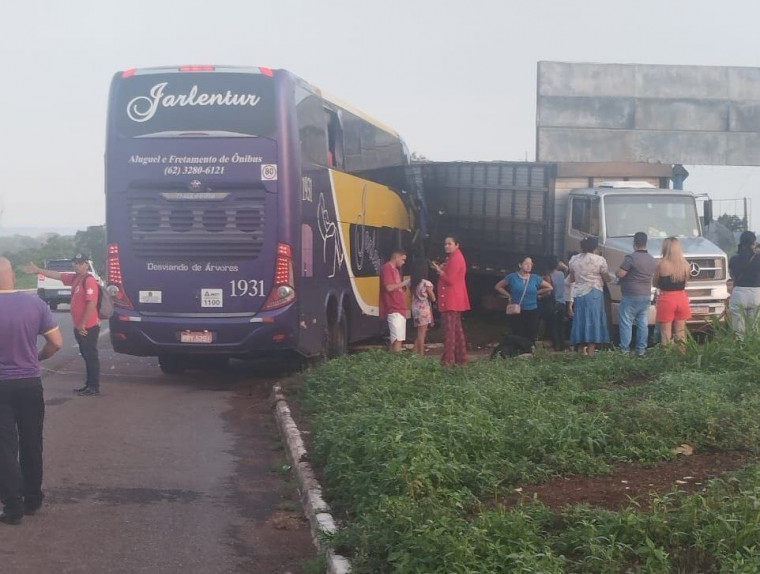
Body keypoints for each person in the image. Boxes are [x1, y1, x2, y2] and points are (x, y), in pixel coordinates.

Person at [0, 257, 63, 525]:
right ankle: (33, 498)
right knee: (31, 441)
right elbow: (57, 343)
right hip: (29, 382)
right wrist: (37, 358)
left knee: (4, 447)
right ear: (12, 275)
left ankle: (12, 508)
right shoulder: (35, 304)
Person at [24, 254, 101, 395]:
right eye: (75, 263)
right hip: (80, 326)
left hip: (87, 327)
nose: (76, 265)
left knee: (90, 356)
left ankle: (93, 387)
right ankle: (89, 385)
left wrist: (82, 324)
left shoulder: (89, 280)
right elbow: (57, 275)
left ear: (86, 264)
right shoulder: (76, 278)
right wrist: (39, 270)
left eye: (80, 263)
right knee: (86, 355)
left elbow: (92, 304)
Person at [568, 237, 614, 356]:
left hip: (579, 294)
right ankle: (591, 352)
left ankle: (579, 350)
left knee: (581, 320)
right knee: (593, 320)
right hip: (594, 292)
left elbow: (572, 278)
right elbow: (606, 278)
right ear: (595, 247)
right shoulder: (599, 260)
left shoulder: (574, 259)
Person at [494, 256, 552, 346]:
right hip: (517, 310)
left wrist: (537, 292)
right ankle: (517, 351)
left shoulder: (535, 278)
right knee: (518, 332)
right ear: (520, 265)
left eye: (531, 264)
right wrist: (509, 295)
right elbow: (498, 286)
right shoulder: (512, 277)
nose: (529, 266)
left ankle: (530, 351)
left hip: (532, 310)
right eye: (526, 263)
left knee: (531, 333)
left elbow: (549, 287)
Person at [431, 235, 470, 366]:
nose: (446, 246)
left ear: (456, 245)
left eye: (449, 244)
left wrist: (439, 271)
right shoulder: (454, 257)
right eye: (445, 244)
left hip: (451, 300)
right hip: (455, 299)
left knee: (449, 331)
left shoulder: (455, 259)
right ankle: (461, 358)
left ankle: (448, 360)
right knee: (457, 330)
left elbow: (450, 280)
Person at [616, 232, 657, 356]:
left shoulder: (630, 258)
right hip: (645, 295)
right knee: (642, 323)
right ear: (646, 243)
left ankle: (624, 350)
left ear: (634, 243)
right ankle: (641, 350)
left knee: (626, 322)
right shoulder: (651, 259)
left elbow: (620, 273)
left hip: (630, 295)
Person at [653, 237, 692, 347]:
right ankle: (683, 356)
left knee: (665, 332)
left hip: (667, 299)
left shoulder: (661, 265)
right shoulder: (685, 265)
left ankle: (668, 358)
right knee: (681, 331)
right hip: (682, 298)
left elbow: (655, 283)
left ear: (665, 248)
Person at [728, 230, 760, 337]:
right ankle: (753, 351)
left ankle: (739, 349)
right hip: (756, 293)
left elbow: (732, 276)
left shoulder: (734, 259)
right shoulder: (758, 258)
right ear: (754, 243)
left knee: (738, 331)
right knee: (754, 329)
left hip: (739, 292)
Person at [379, 250, 409, 352]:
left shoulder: (395, 270)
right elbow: (389, 287)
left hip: (400, 308)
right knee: (396, 340)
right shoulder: (387, 268)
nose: (404, 262)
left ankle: (394, 362)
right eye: (403, 259)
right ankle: (396, 364)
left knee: (398, 339)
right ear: (396, 257)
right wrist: (404, 283)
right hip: (393, 308)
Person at [410, 259, 436, 355]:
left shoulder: (412, 282)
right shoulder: (426, 283)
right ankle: (421, 355)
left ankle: (414, 352)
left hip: (415, 308)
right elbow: (432, 298)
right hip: (424, 309)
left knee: (420, 331)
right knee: (422, 334)